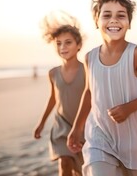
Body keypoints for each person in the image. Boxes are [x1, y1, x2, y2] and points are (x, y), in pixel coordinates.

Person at [67, 0, 137, 176]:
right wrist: (77, 128)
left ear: (129, 23)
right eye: (107, 15)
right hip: (100, 136)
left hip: (136, 140)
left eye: (121, 15)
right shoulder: (90, 57)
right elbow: (89, 93)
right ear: (97, 21)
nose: (114, 20)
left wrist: (129, 107)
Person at [34, 11, 85, 176]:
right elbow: (53, 99)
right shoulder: (53, 73)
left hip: (83, 126)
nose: (63, 47)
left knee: (82, 169)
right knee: (64, 162)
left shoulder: (87, 70)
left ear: (78, 45)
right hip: (61, 126)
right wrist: (42, 122)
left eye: (68, 42)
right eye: (59, 43)